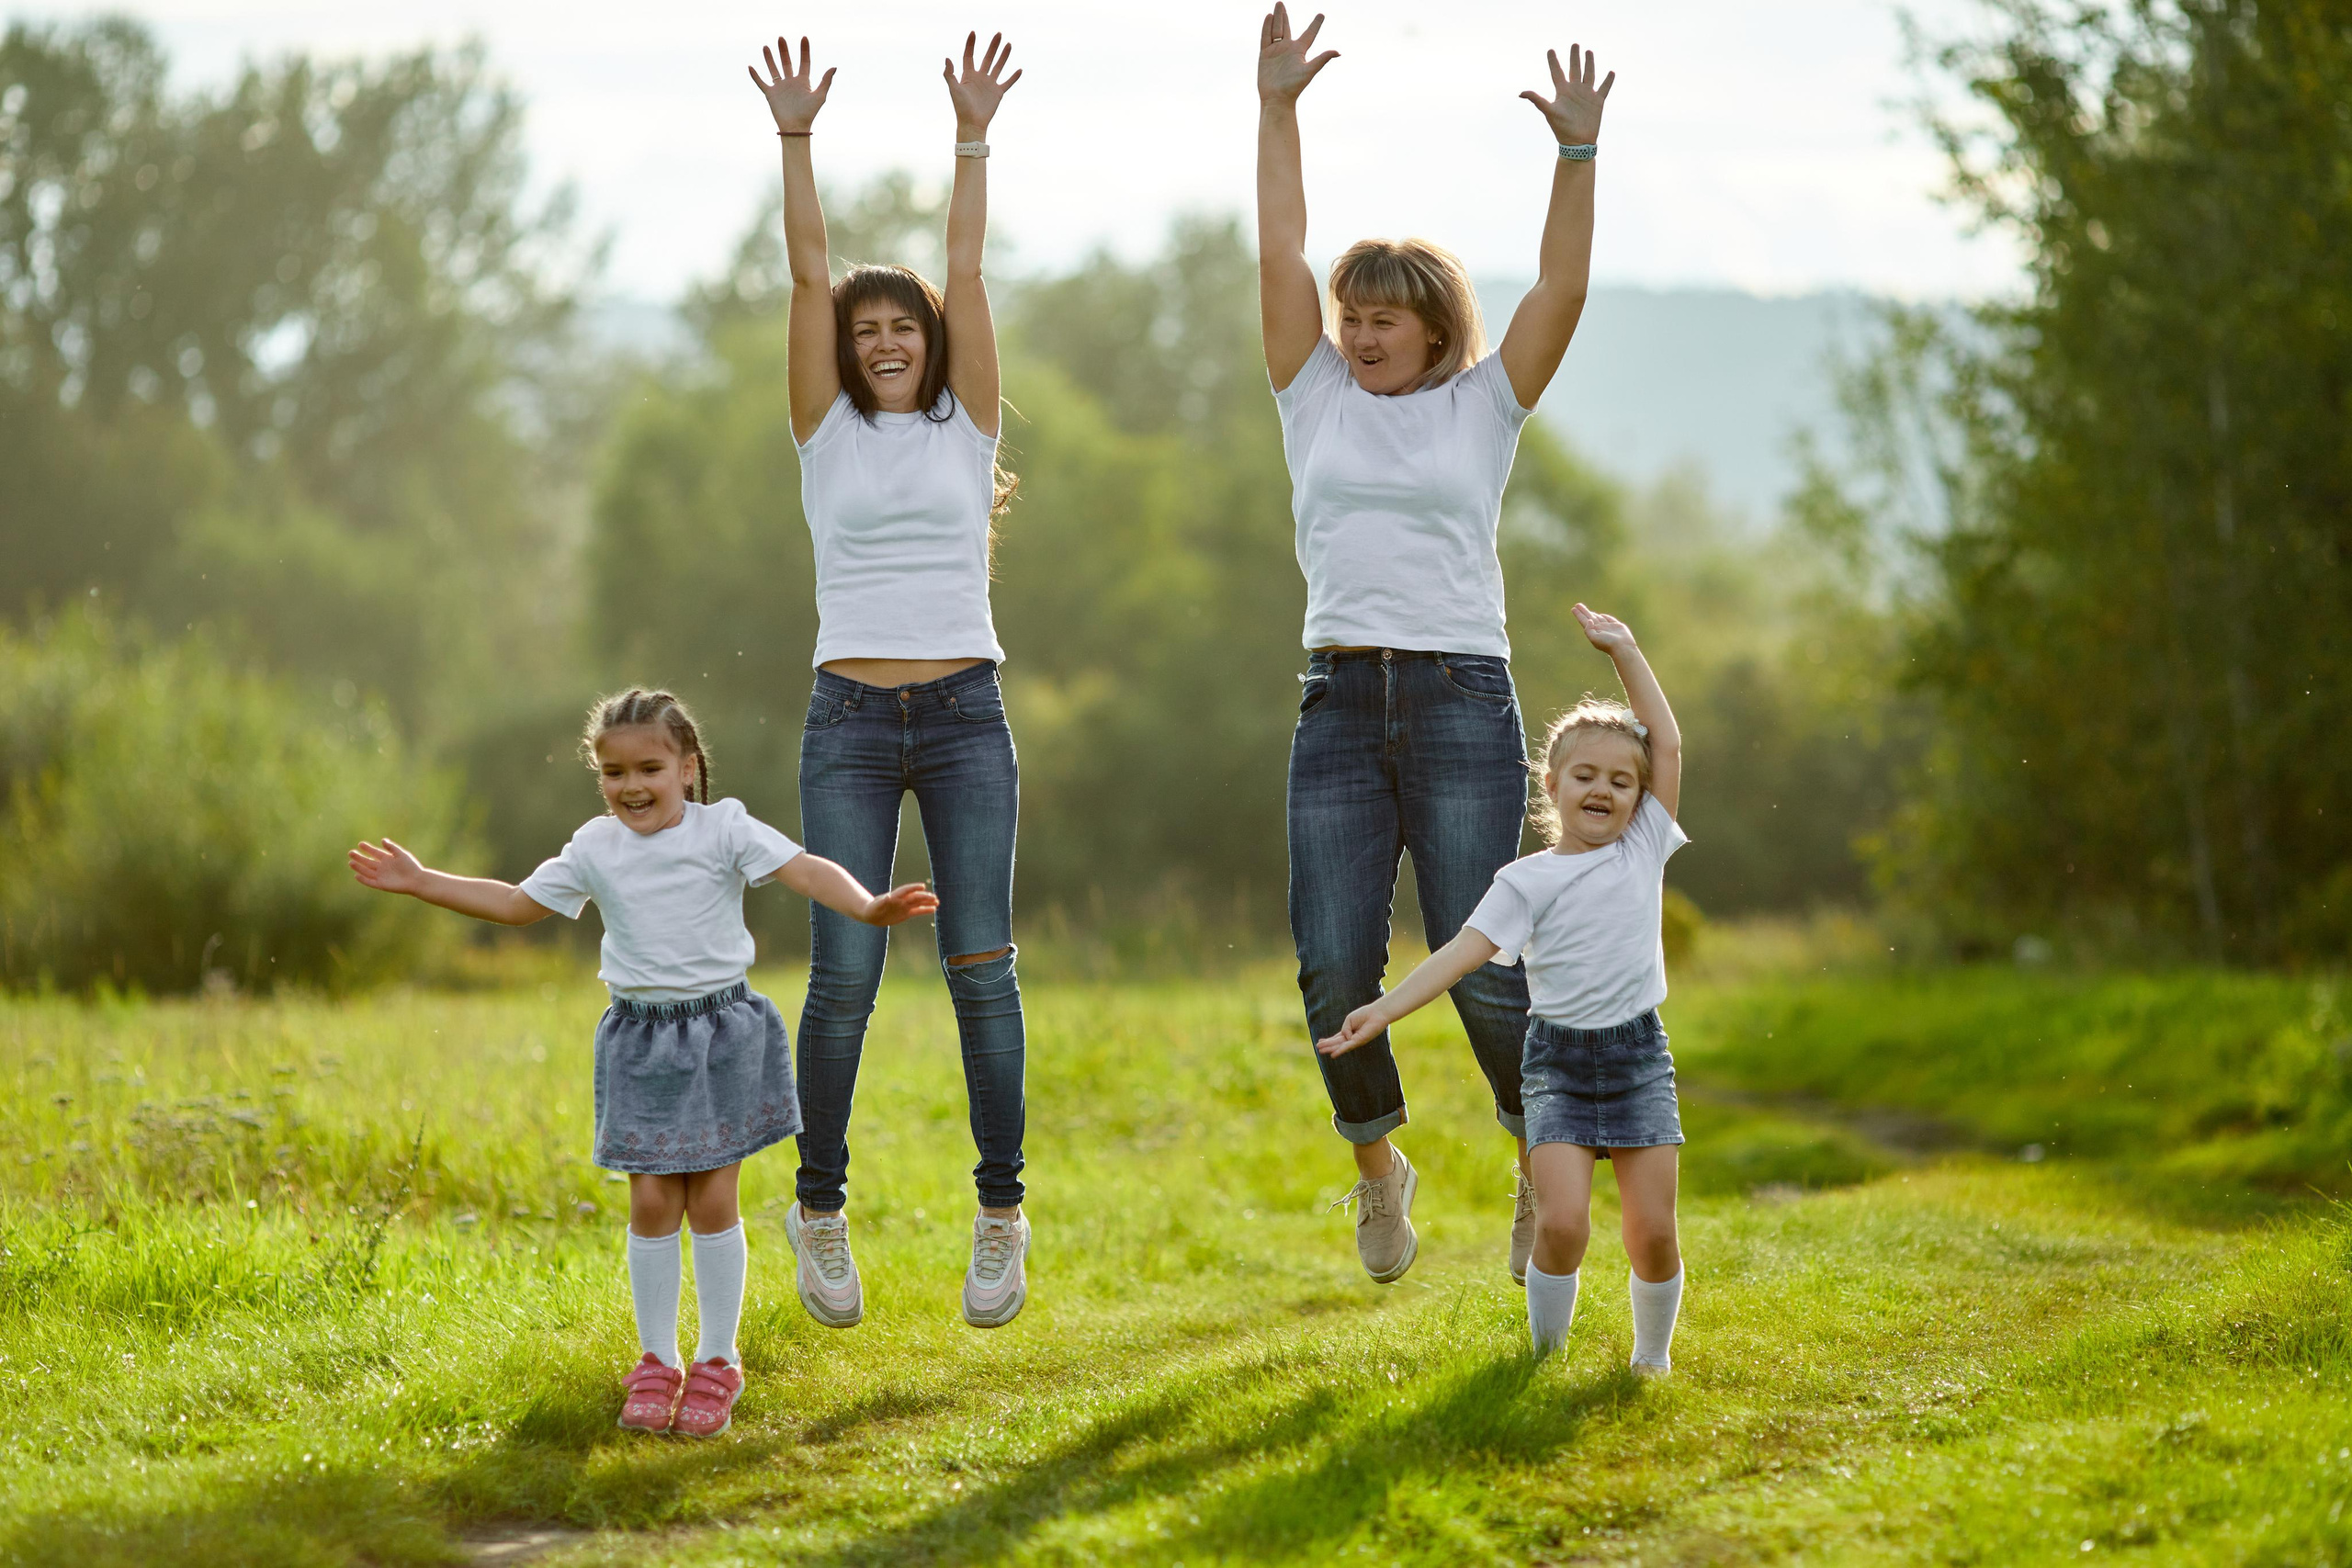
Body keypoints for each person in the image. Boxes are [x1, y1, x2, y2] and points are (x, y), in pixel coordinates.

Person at [1254, 4, 1616, 1284]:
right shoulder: (1310, 396)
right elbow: (1279, 244)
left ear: (1433, 328)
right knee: (1335, 961)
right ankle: (1378, 1167)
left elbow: (1561, 289)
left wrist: (1575, 157)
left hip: (1463, 699)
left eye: (1382, 318)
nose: (1356, 332)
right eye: (1350, 314)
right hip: (1339, 701)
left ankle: (1534, 1167)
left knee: (1485, 963)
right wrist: (1278, 105)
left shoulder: (1484, 408)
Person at [347, 690, 936, 1435]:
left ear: (687, 767)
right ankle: (657, 1360)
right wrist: (421, 879)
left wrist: (867, 905)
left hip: (721, 1031)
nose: (631, 784)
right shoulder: (596, 845)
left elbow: (807, 869)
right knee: (654, 1200)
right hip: (640, 1039)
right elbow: (518, 903)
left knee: (713, 1199)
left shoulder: (724, 829)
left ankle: (718, 1361)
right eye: (613, 770)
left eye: (650, 767)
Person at [747, 31, 1035, 1331]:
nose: (879, 340)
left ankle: (1000, 1214)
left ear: (930, 338)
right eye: (863, 331)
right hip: (851, 723)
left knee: (982, 965)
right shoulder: (819, 438)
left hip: (967, 714)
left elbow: (969, 262)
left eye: (898, 323)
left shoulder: (969, 426)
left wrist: (971, 137)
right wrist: (796, 141)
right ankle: (819, 1210)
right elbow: (805, 271)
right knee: (846, 976)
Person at [1318, 606, 1687, 1371]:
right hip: (1554, 1064)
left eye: (1622, 781)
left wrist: (1625, 650)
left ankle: (1651, 1360)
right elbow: (1461, 953)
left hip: (1638, 1060)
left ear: (1638, 797)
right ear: (1552, 785)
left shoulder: (1645, 846)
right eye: (1586, 775)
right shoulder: (1526, 881)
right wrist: (1379, 1011)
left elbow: (1670, 741)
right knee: (1563, 1226)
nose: (1604, 789)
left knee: (1652, 1231)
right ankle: (1544, 1358)